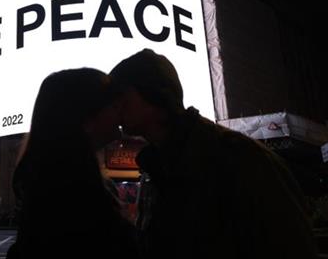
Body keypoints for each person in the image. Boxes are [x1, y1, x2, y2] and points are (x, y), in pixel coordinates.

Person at [107, 48, 317, 259]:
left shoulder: (238, 157)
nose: (115, 107)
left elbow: (290, 244)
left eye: (122, 96)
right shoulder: (155, 166)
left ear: (152, 93)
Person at [6, 68, 138, 259]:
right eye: (113, 105)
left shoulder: (46, 185)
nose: (120, 112)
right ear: (87, 117)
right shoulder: (78, 198)